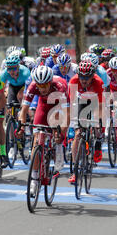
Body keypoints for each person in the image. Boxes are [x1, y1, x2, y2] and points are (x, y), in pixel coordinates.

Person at [17, 66, 70, 196]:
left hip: (58, 106)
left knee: (57, 128)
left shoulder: (60, 86)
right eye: (40, 85)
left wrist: (62, 132)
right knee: (37, 140)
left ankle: (58, 148)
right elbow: (23, 111)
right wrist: (21, 126)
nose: (42, 88)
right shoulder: (32, 86)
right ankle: (34, 180)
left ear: (50, 82)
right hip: (44, 105)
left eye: (45, 85)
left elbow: (66, 113)